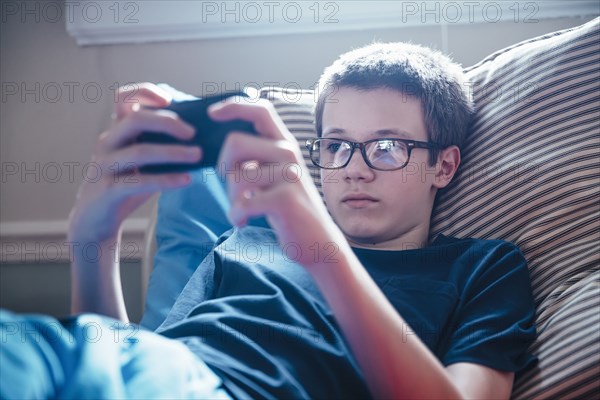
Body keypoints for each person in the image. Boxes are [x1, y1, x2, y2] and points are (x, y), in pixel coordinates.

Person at [0, 42, 536, 399]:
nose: (354, 171)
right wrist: (93, 240)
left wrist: (317, 247)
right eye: (337, 147)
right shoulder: (248, 240)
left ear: (443, 164)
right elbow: (125, 363)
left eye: (387, 148)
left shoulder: (482, 268)